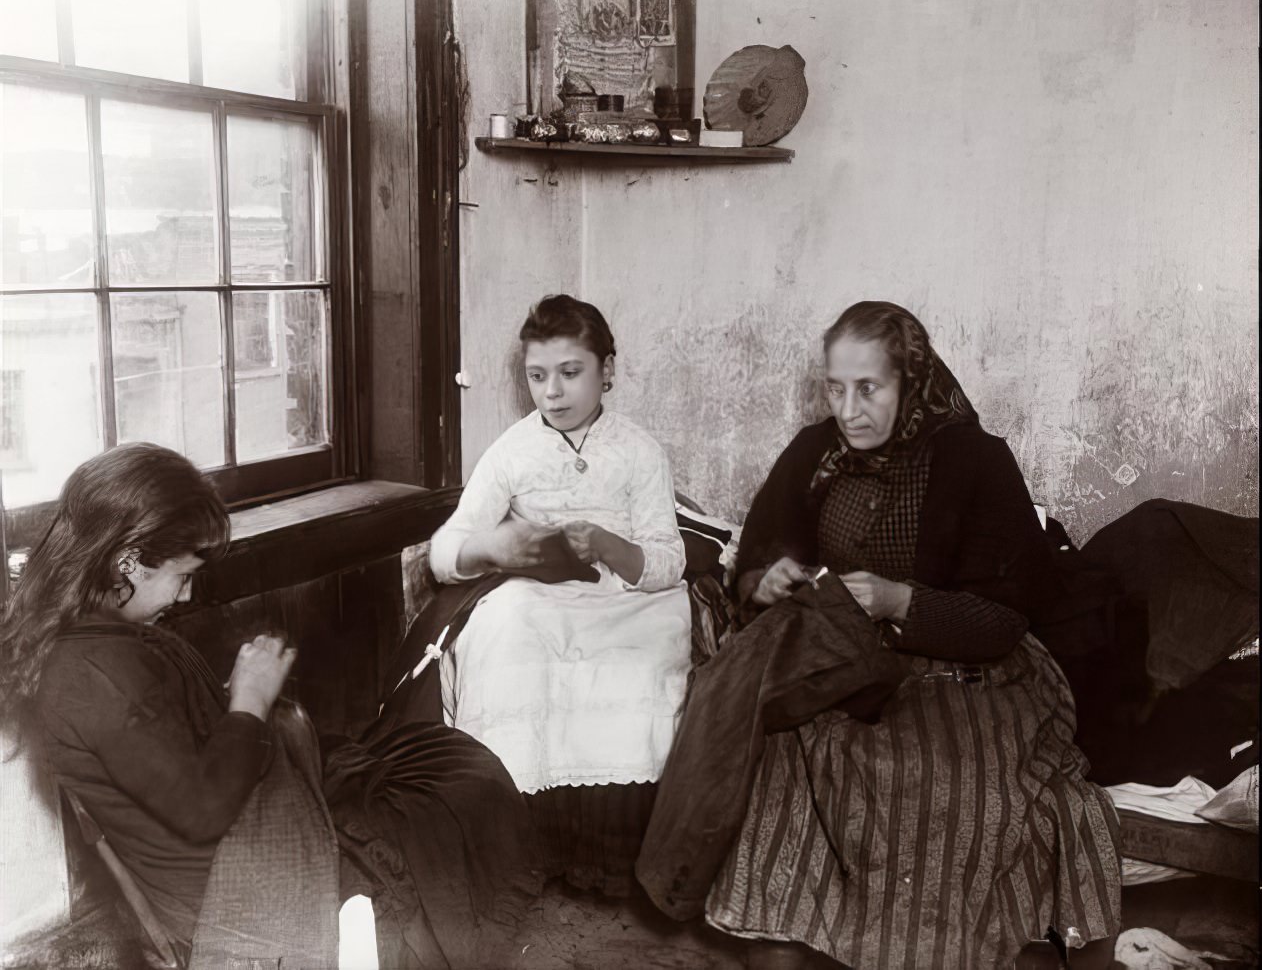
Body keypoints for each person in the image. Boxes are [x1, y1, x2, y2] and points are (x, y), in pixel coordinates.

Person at [636, 301, 1122, 969]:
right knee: (778, 758)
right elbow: (758, 553)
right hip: (835, 660)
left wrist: (902, 601)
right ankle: (791, 940)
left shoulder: (974, 462)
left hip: (964, 671)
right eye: (836, 387)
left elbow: (1006, 619)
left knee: (937, 777)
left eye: (869, 388)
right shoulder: (815, 452)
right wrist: (765, 578)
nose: (848, 408)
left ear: (910, 380)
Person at [0, 442, 538, 969]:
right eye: (182, 576)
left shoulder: (92, 641)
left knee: (431, 755)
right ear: (130, 561)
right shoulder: (89, 676)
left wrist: (239, 701)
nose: (186, 597)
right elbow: (202, 809)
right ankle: (357, 934)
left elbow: (168, 746)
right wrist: (250, 700)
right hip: (229, 882)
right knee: (449, 801)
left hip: (233, 826)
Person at [419, 293, 691, 893]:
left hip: (627, 597)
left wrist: (609, 543)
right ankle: (527, 851)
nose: (553, 393)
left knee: (645, 656)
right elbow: (445, 551)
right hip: (540, 595)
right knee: (508, 632)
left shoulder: (640, 451)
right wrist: (496, 550)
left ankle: (613, 861)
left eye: (571, 374)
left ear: (608, 371)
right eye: (537, 377)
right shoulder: (512, 451)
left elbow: (670, 559)